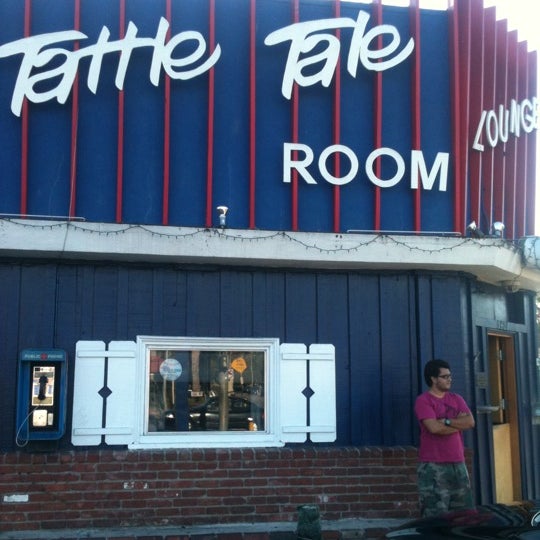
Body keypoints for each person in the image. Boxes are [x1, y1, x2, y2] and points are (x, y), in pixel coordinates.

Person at [414, 359, 475, 517]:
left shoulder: (456, 399)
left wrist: (446, 422)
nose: (449, 379)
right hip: (433, 465)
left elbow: (470, 422)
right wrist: (458, 424)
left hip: (458, 463)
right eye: (445, 376)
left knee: (464, 514)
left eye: (450, 376)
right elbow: (434, 428)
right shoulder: (424, 401)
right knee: (435, 514)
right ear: (433, 379)